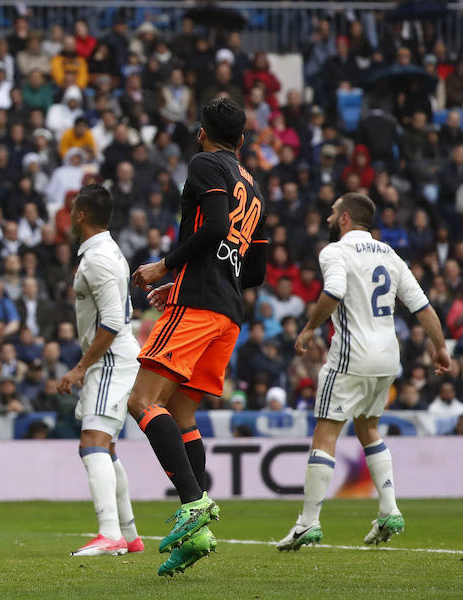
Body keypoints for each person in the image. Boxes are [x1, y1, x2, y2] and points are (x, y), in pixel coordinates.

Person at [131, 98, 268, 576]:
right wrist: (183, 278)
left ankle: (194, 504)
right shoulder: (254, 187)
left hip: (199, 305)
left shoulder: (205, 163)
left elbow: (211, 226)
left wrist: (164, 268)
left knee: (142, 401)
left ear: (202, 134)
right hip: (229, 313)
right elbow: (255, 271)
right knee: (183, 411)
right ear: (243, 141)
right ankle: (200, 532)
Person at [276, 193, 451, 551]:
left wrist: (310, 327)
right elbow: (422, 306)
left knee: (325, 434)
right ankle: (389, 509)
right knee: (368, 428)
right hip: (388, 357)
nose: (327, 218)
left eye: (331, 213)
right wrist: (440, 347)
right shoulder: (390, 255)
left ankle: (307, 523)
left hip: (352, 355)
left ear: (344, 218)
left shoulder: (335, 252)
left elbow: (334, 291)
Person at [57, 184, 143, 557]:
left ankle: (109, 533)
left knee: (92, 442)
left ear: (80, 215)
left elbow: (110, 323)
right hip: (114, 360)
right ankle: (129, 534)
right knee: (106, 447)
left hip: (110, 361)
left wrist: (79, 368)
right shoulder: (106, 252)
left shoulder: (99, 260)